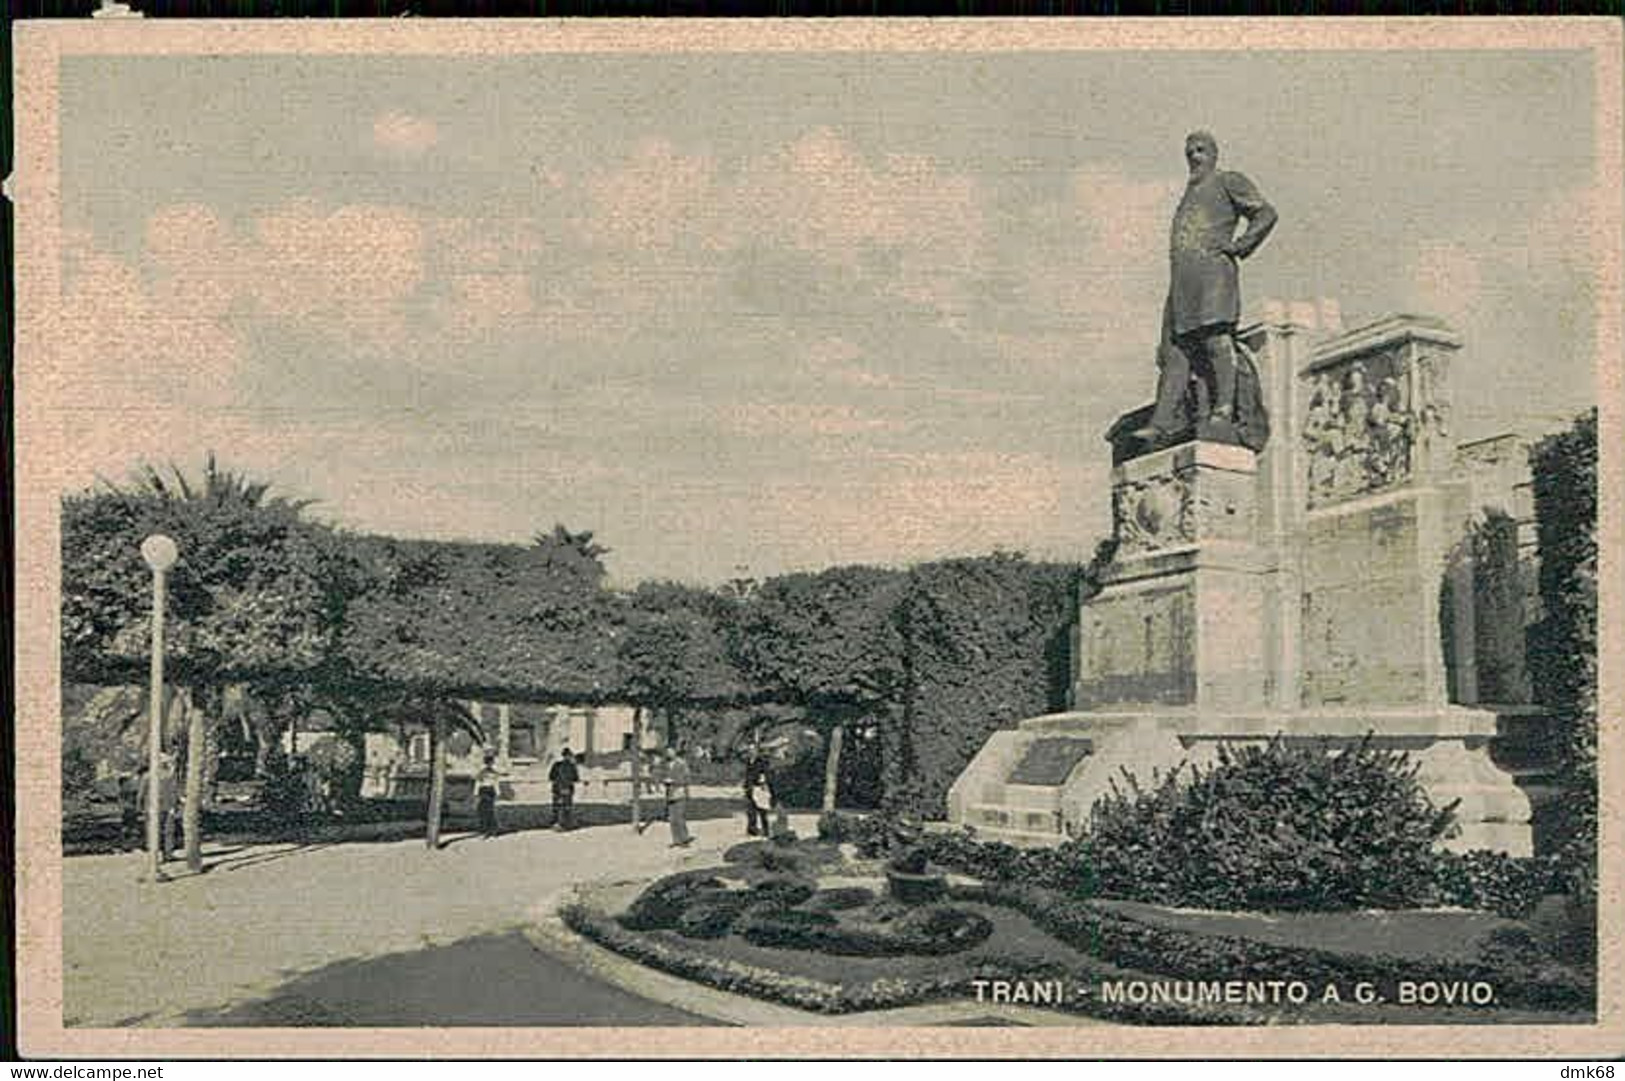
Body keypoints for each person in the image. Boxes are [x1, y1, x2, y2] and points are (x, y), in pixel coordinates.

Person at [1133, 131, 1278, 447]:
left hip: (1213, 274)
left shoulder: (1228, 181)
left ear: (1213, 154)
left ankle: (1223, 410)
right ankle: (1161, 422)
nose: (1195, 156)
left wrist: (1242, 244)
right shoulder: (1188, 193)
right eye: (1189, 152)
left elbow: (1266, 213)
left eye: (1201, 150)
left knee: (1215, 339)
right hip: (1183, 282)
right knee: (1177, 351)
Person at [663, 747, 693, 848]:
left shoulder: (682, 763)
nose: (669, 753)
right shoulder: (667, 764)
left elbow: (687, 779)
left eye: (671, 751)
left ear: (675, 752)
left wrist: (673, 781)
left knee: (680, 818)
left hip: (680, 793)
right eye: (667, 752)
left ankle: (684, 840)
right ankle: (676, 840)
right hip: (670, 794)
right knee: (672, 819)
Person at [743, 743, 773, 838]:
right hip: (749, 788)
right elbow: (748, 775)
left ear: (757, 751)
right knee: (750, 810)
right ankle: (752, 829)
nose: (751, 752)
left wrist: (764, 782)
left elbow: (766, 773)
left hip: (759, 787)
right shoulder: (748, 761)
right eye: (749, 750)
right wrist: (745, 785)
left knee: (762, 810)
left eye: (753, 750)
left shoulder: (761, 762)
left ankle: (766, 830)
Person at [548, 748, 580, 831]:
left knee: (557, 806)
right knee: (567, 806)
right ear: (569, 756)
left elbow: (551, 777)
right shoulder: (572, 766)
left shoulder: (556, 765)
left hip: (557, 788)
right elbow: (576, 778)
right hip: (567, 788)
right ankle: (566, 824)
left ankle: (556, 823)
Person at [475, 751, 502, 838]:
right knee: (483, 810)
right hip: (484, 790)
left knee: (490, 810)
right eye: (488, 762)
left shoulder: (493, 772)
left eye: (490, 762)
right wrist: (476, 792)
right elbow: (478, 782)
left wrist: (498, 792)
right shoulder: (482, 772)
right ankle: (486, 829)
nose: (489, 764)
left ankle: (492, 830)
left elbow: (495, 782)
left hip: (489, 790)